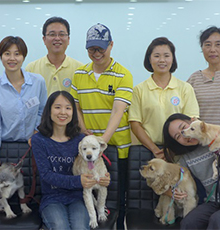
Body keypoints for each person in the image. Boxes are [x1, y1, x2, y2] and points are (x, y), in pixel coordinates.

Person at [70, 23, 132, 229]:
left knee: (118, 196)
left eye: (100, 48)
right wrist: (82, 128)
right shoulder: (79, 74)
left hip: (116, 147)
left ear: (111, 45)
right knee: (89, 191)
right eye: (91, 49)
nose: (96, 53)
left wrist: (102, 141)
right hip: (89, 149)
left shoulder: (123, 74)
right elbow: (76, 107)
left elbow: (118, 111)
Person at [31, 91, 110, 229]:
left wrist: (104, 177)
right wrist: (77, 180)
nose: (63, 112)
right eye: (57, 107)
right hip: (52, 197)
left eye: (68, 108)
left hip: (77, 197)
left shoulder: (80, 139)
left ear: (73, 112)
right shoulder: (39, 140)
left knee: (80, 227)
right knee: (61, 227)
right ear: (48, 110)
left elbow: (94, 163)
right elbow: (46, 175)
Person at [163, 113, 220, 229]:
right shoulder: (186, 159)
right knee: (189, 223)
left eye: (183, 127)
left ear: (193, 121)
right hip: (216, 201)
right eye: (178, 137)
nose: (184, 135)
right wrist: (167, 191)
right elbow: (170, 179)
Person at [0, 36, 47, 178]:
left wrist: (36, 131)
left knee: (32, 189)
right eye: (7, 54)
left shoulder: (38, 82)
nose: (12, 58)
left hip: (32, 146)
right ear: (1, 56)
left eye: (17, 54)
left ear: (23, 57)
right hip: (5, 148)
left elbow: (42, 110)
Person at [129, 37, 199, 159]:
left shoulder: (185, 88)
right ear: (149, 59)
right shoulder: (139, 90)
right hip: (149, 150)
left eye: (166, 55)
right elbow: (135, 124)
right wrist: (155, 150)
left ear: (173, 59)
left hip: (180, 150)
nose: (162, 60)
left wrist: (173, 150)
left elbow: (192, 121)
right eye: (156, 56)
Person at [187, 26, 220, 126]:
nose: (212, 50)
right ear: (202, 49)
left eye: (218, 44)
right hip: (203, 140)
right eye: (207, 45)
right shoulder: (194, 79)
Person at [25, 16, 83, 96]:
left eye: (61, 34)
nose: (57, 38)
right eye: (52, 34)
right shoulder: (31, 69)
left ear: (68, 39)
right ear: (44, 39)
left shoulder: (79, 69)